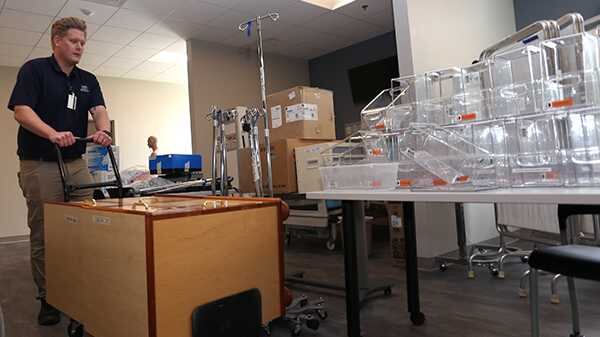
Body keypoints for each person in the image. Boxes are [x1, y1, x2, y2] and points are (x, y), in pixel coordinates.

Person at [7, 17, 112, 326]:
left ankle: (80, 286)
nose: (80, 46)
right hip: (40, 162)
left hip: (76, 163)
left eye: (83, 42)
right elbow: (21, 111)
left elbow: (100, 110)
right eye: (74, 41)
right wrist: (51, 133)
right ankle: (48, 296)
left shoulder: (87, 79)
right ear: (57, 41)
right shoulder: (34, 70)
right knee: (46, 232)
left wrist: (103, 131)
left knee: (86, 225)